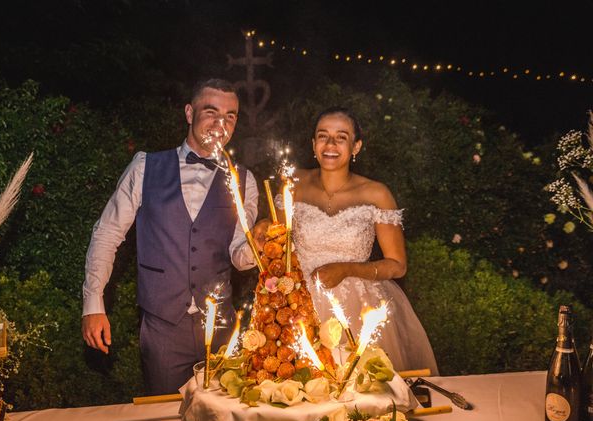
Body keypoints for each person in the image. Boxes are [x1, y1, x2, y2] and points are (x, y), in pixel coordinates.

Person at [82, 79, 260, 394]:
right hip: (163, 328)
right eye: (211, 112)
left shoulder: (243, 180)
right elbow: (107, 234)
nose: (221, 123)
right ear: (189, 113)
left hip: (221, 328)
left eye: (230, 116)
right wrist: (93, 303)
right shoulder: (144, 167)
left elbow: (238, 256)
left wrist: (259, 248)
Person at [283, 106, 438, 374]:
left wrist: (347, 269)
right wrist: (264, 226)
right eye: (323, 136)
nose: (330, 144)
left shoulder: (376, 193)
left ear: (356, 146)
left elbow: (397, 265)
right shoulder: (294, 182)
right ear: (313, 144)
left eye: (341, 137)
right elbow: (278, 233)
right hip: (299, 302)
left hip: (358, 306)